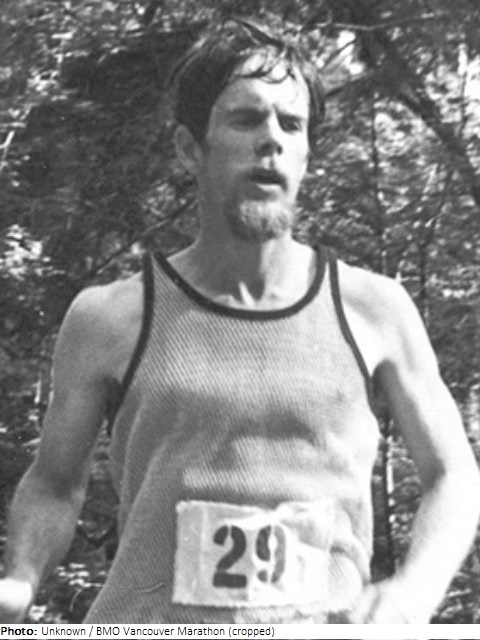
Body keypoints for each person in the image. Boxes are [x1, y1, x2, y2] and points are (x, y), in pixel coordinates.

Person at [1, 18, 479, 625]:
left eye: (291, 124)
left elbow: (452, 473)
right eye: (246, 119)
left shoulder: (375, 309)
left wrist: (413, 590)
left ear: (306, 155)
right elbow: (53, 484)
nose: (271, 139)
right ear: (189, 149)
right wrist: (19, 580)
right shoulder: (110, 317)